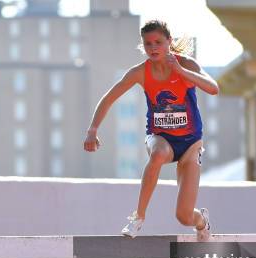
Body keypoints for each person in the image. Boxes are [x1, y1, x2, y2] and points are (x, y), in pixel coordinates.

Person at [83, 20, 219, 241]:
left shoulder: (186, 64)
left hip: (191, 143)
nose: (153, 48)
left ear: (169, 43)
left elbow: (213, 89)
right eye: (148, 44)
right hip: (160, 137)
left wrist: (180, 70)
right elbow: (108, 98)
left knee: (184, 216)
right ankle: (138, 218)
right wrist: (92, 130)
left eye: (158, 42)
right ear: (143, 46)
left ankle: (202, 221)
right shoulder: (140, 72)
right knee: (157, 155)